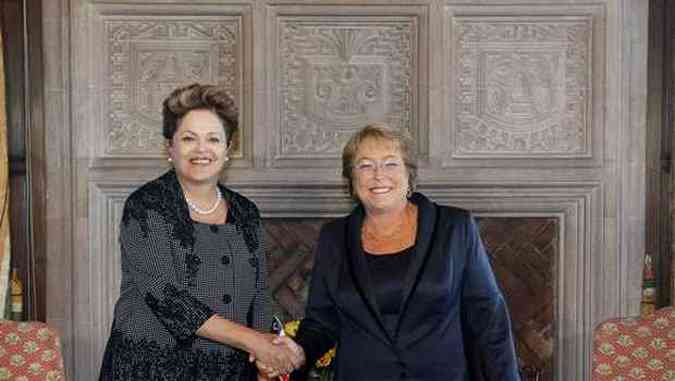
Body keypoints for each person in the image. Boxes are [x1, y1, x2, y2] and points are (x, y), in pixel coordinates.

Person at [99, 83, 303, 380]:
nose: (202, 149)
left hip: (228, 371)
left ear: (228, 148)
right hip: (150, 369)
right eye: (189, 139)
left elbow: (259, 294)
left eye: (213, 139)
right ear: (170, 147)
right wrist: (254, 342)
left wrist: (265, 355)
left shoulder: (246, 212)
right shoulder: (146, 205)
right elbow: (167, 297)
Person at [290, 123, 521, 381]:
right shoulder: (334, 237)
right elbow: (321, 321)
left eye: (390, 163)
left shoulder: (455, 228)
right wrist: (294, 354)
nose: (379, 175)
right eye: (365, 165)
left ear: (409, 174)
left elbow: (488, 320)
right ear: (351, 181)